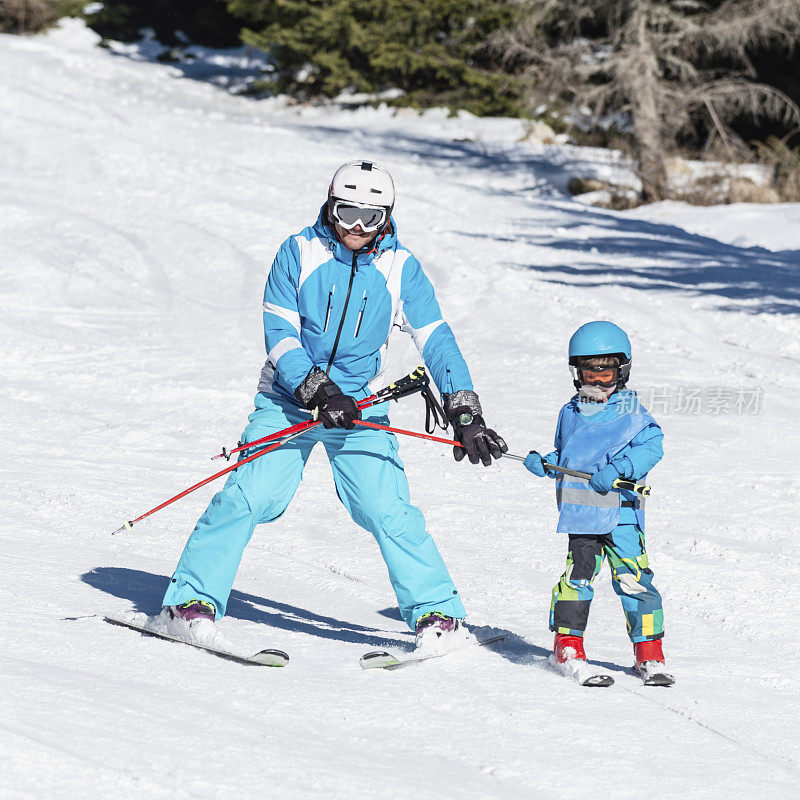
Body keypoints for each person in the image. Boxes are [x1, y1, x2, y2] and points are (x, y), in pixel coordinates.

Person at [161, 160, 507, 649]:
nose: (356, 228)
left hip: (362, 407)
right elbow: (279, 335)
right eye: (346, 213)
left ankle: (437, 615)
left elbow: (438, 341)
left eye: (370, 217)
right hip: (290, 400)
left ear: (387, 217)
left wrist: (465, 412)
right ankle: (187, 602)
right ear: (329, 205)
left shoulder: (400, 267)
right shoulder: (297, 252)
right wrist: (319, 391)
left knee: (387, 509)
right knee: (251, 496)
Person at [524, 321, 670, 680]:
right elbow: (568, 454)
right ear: (577, 373)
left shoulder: (633, 414)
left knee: (634, 580)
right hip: (583, 516)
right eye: (590, 372)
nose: (598, 381)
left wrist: (620, 467)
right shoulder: (570, 412)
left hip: (621, 516)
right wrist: (546, 463)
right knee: (577, 578)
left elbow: (653, 448)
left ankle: (648, 652)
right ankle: (568, 646)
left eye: (606, 373)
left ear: (622, 371)